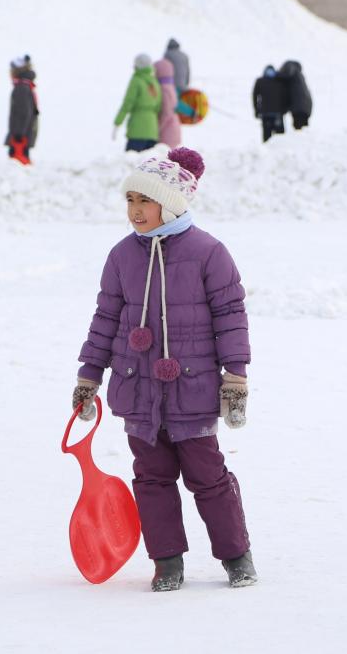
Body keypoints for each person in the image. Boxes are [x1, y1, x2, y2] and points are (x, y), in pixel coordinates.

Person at [72, 147, 257, 592]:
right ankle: (167, 562)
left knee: (208, 478)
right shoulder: (121, 256)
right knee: (151, 479)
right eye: (130, 201)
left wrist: (235, 377)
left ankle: (236, 556)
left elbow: (231, 315)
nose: (135, 211)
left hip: (192, 392)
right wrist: (89, 376)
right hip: (138, 389)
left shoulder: (208, 253)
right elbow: (105, 318)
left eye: (144, 201)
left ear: (170, 203)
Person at [113, 54, 163, 152]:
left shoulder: (136, 80)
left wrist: (117, 122)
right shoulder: (154, 82)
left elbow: (127, 103)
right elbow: (158, 106)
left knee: (131, 163)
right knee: (149, 165)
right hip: (152, 131)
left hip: (137, 130)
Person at [6, 55, 39, 165]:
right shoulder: (26, 86)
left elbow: (24, 113)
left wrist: (18, 136)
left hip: (19, 140)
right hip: (24, 137)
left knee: (18, 167)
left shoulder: (21, 88)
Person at [252, 64, 287, 142]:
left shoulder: (260, 81)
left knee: (267, 139)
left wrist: (257, 110)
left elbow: (255, 97)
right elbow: (285, 96)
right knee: (280, 139)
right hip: (277, 113)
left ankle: (267, 153)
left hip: (266, 113)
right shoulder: (279, 81)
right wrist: (284, 109)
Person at [153, 59, 182, 148]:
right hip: (174, 126)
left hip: (167, 131)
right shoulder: (171, 86)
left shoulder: (164, 89)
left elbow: (167, 112)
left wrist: (157, 128)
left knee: (164, 158)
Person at [278, 60, 312, 130]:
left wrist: (277, 75)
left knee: (298, 128)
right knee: (302, 129)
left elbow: (286, 74)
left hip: (299, 106)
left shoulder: (290, 66)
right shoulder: (299, 74)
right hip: (306, 105)